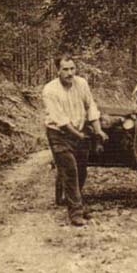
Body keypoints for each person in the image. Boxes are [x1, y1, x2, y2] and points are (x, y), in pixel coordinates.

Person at [42, 54, 109, 226]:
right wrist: (80, 136)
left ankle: (74, 200)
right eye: (65, 69)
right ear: (57, 70)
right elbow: (61, 121)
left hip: (79, 130)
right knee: (70, 170)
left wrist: (98, 130)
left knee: (81, 171)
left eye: (72, 68)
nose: (70, 73)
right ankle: (76, 212)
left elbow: (91, 106)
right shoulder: (50, 90)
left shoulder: (82, 83)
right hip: (59, 134)